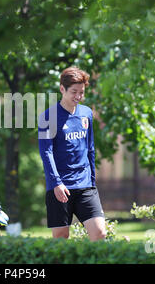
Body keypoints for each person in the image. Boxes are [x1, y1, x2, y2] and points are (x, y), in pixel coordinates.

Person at [38, 66, 106, 240]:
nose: (78, 96)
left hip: (85, 186)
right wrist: (56, 183)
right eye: (74, 92)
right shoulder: (47, 117)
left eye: (82, 92)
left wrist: (92, 181)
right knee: (61, 239)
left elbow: (90, 148)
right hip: (60, 187)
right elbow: (46, 152)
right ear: (62, 89)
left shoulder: (87, 114)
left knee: (99, 233)